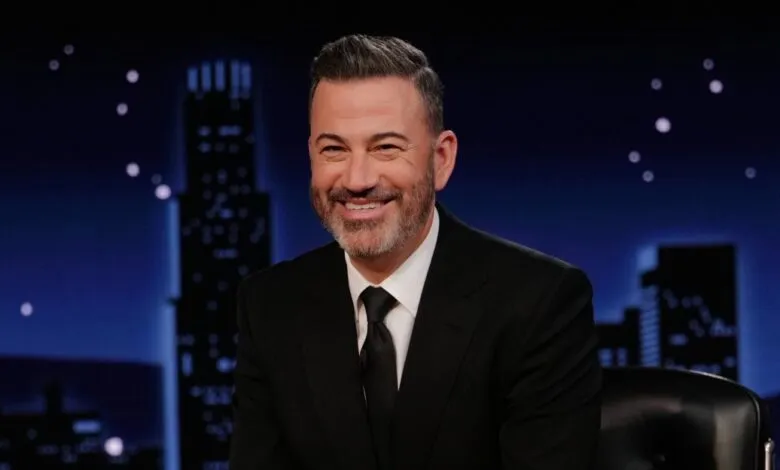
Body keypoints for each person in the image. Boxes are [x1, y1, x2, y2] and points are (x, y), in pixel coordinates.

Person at [229, 34, 602, 470]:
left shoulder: (541, 303)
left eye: (385, 147)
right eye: (334, 149)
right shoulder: (270, 305)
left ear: (441, 159)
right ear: (312, 155)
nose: (357, 179)